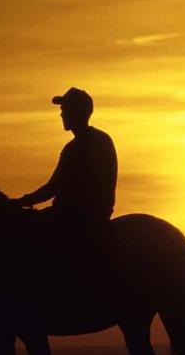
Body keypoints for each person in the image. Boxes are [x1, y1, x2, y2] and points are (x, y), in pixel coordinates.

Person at [11, 87, 117, 242]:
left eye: (64, 110)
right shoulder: (102, 140)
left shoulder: (75, 148)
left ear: (75, 112)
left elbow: (52, 187)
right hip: (95, 215)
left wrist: (21, 202)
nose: (61, 114)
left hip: (71, 217)